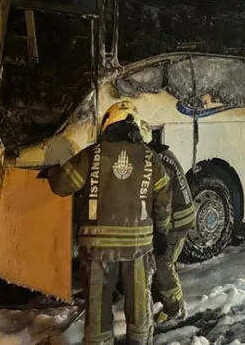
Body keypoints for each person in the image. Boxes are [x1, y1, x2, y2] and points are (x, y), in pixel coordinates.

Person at [47, 100, 172, 345]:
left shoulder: (92, 154)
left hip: (97, 250)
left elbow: (61, 186)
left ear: (108, 126)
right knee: (138, 307)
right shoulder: (150, 158)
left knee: (98, 310)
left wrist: (52, 170)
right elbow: (163, 200)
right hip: (138, 248)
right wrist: (162, 232)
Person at [138, 120, 195, 326]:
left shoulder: (155, 161)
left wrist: (158, 231)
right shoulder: (162, 154)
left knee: (163, 263)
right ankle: (165, 298)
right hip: (181, 216)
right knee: (165, 262)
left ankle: (175, 309)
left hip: (176, 221)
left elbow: (160, 201)